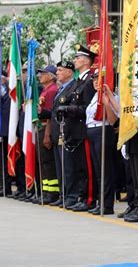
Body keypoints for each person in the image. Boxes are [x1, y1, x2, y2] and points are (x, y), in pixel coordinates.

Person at [48, 60, 82, 208]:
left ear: (69, 72)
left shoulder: (74, 86)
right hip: (58, 133)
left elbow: (72, 109)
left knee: (69, 168)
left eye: (60, 70)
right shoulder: (60, 89)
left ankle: (71, 195)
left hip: (67, 133)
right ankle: (63, 194)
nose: (57, 73)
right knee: (60, 168)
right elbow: (55, 111)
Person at [85, 69, 119, 215]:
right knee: (98, 170)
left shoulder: (111, 97)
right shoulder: (94, 97)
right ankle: (101, 201)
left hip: (103, 131)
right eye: (93, 80)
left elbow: (113, 119)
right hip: (92, 132)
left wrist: (106, 103)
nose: (95, 82)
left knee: (105, 170)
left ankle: (107, 204)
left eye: (97, 80)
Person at [37, 64, 60, 204]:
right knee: (43, 162)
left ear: (51, 77)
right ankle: (46, 191)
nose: (40, 76)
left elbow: (51, 115)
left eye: (43, 73)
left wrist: (47, 134)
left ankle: (52, 193)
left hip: (46, 127)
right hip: (41, 126)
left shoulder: (52, 91)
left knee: (48, 162)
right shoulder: (45, 90)